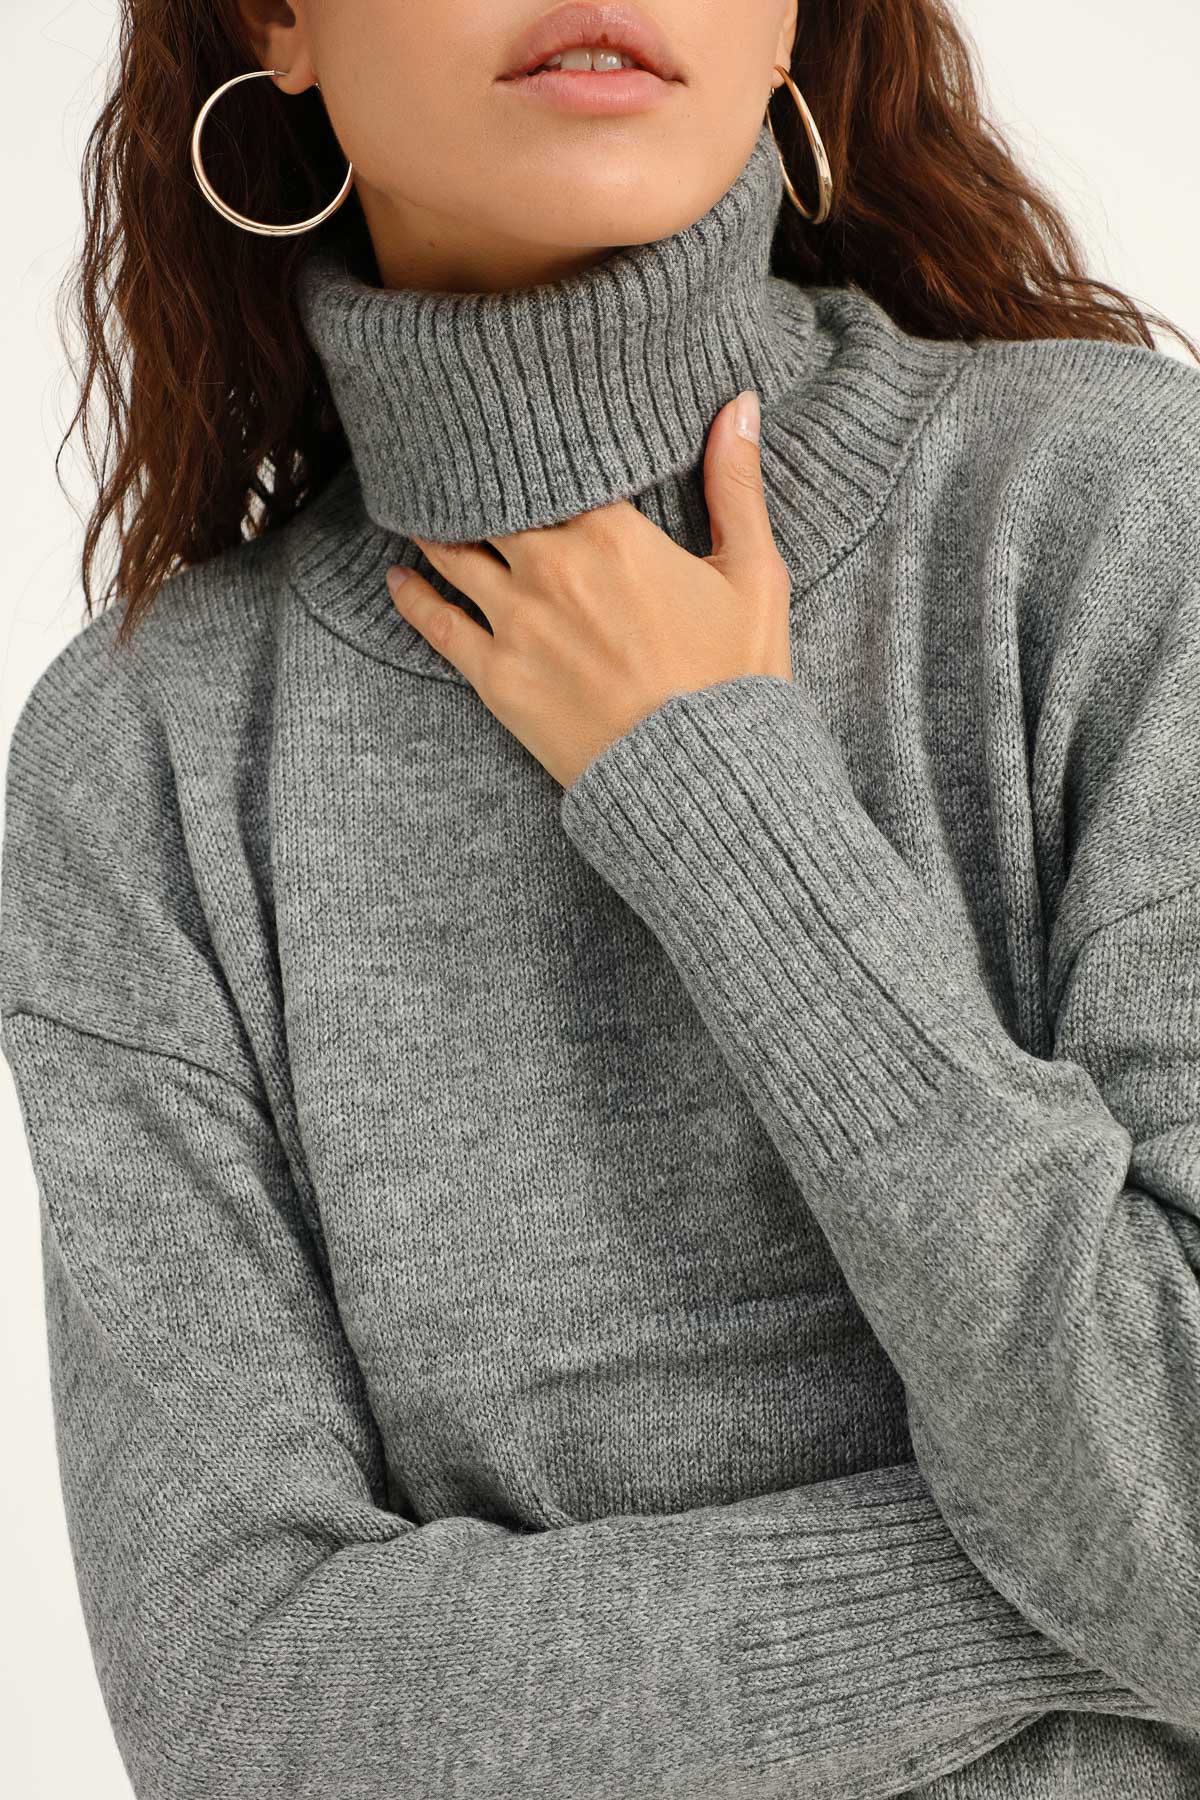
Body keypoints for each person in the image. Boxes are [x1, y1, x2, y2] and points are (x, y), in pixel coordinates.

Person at [4, 2, 1200, 1795]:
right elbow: (247, 1712)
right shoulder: (148, 759)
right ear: (280, 18)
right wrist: (1092, 1595)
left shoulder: (1114, 520)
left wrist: (714, 792)